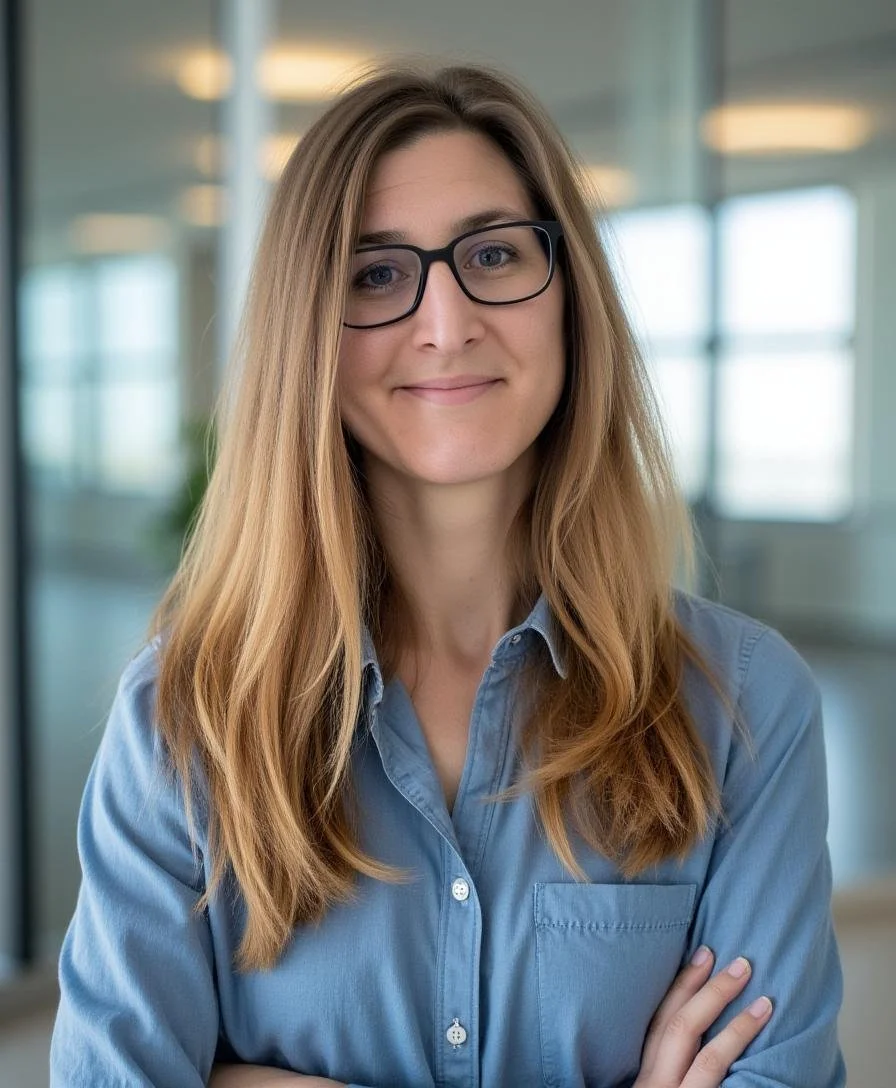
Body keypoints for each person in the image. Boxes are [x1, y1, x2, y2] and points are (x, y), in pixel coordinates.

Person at [50, 63, 845, 1087]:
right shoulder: (184, 716)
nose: (445, 320)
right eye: (376, 274)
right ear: (310, 340)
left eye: (494, 254)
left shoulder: (743, 701)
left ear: (570, 302)